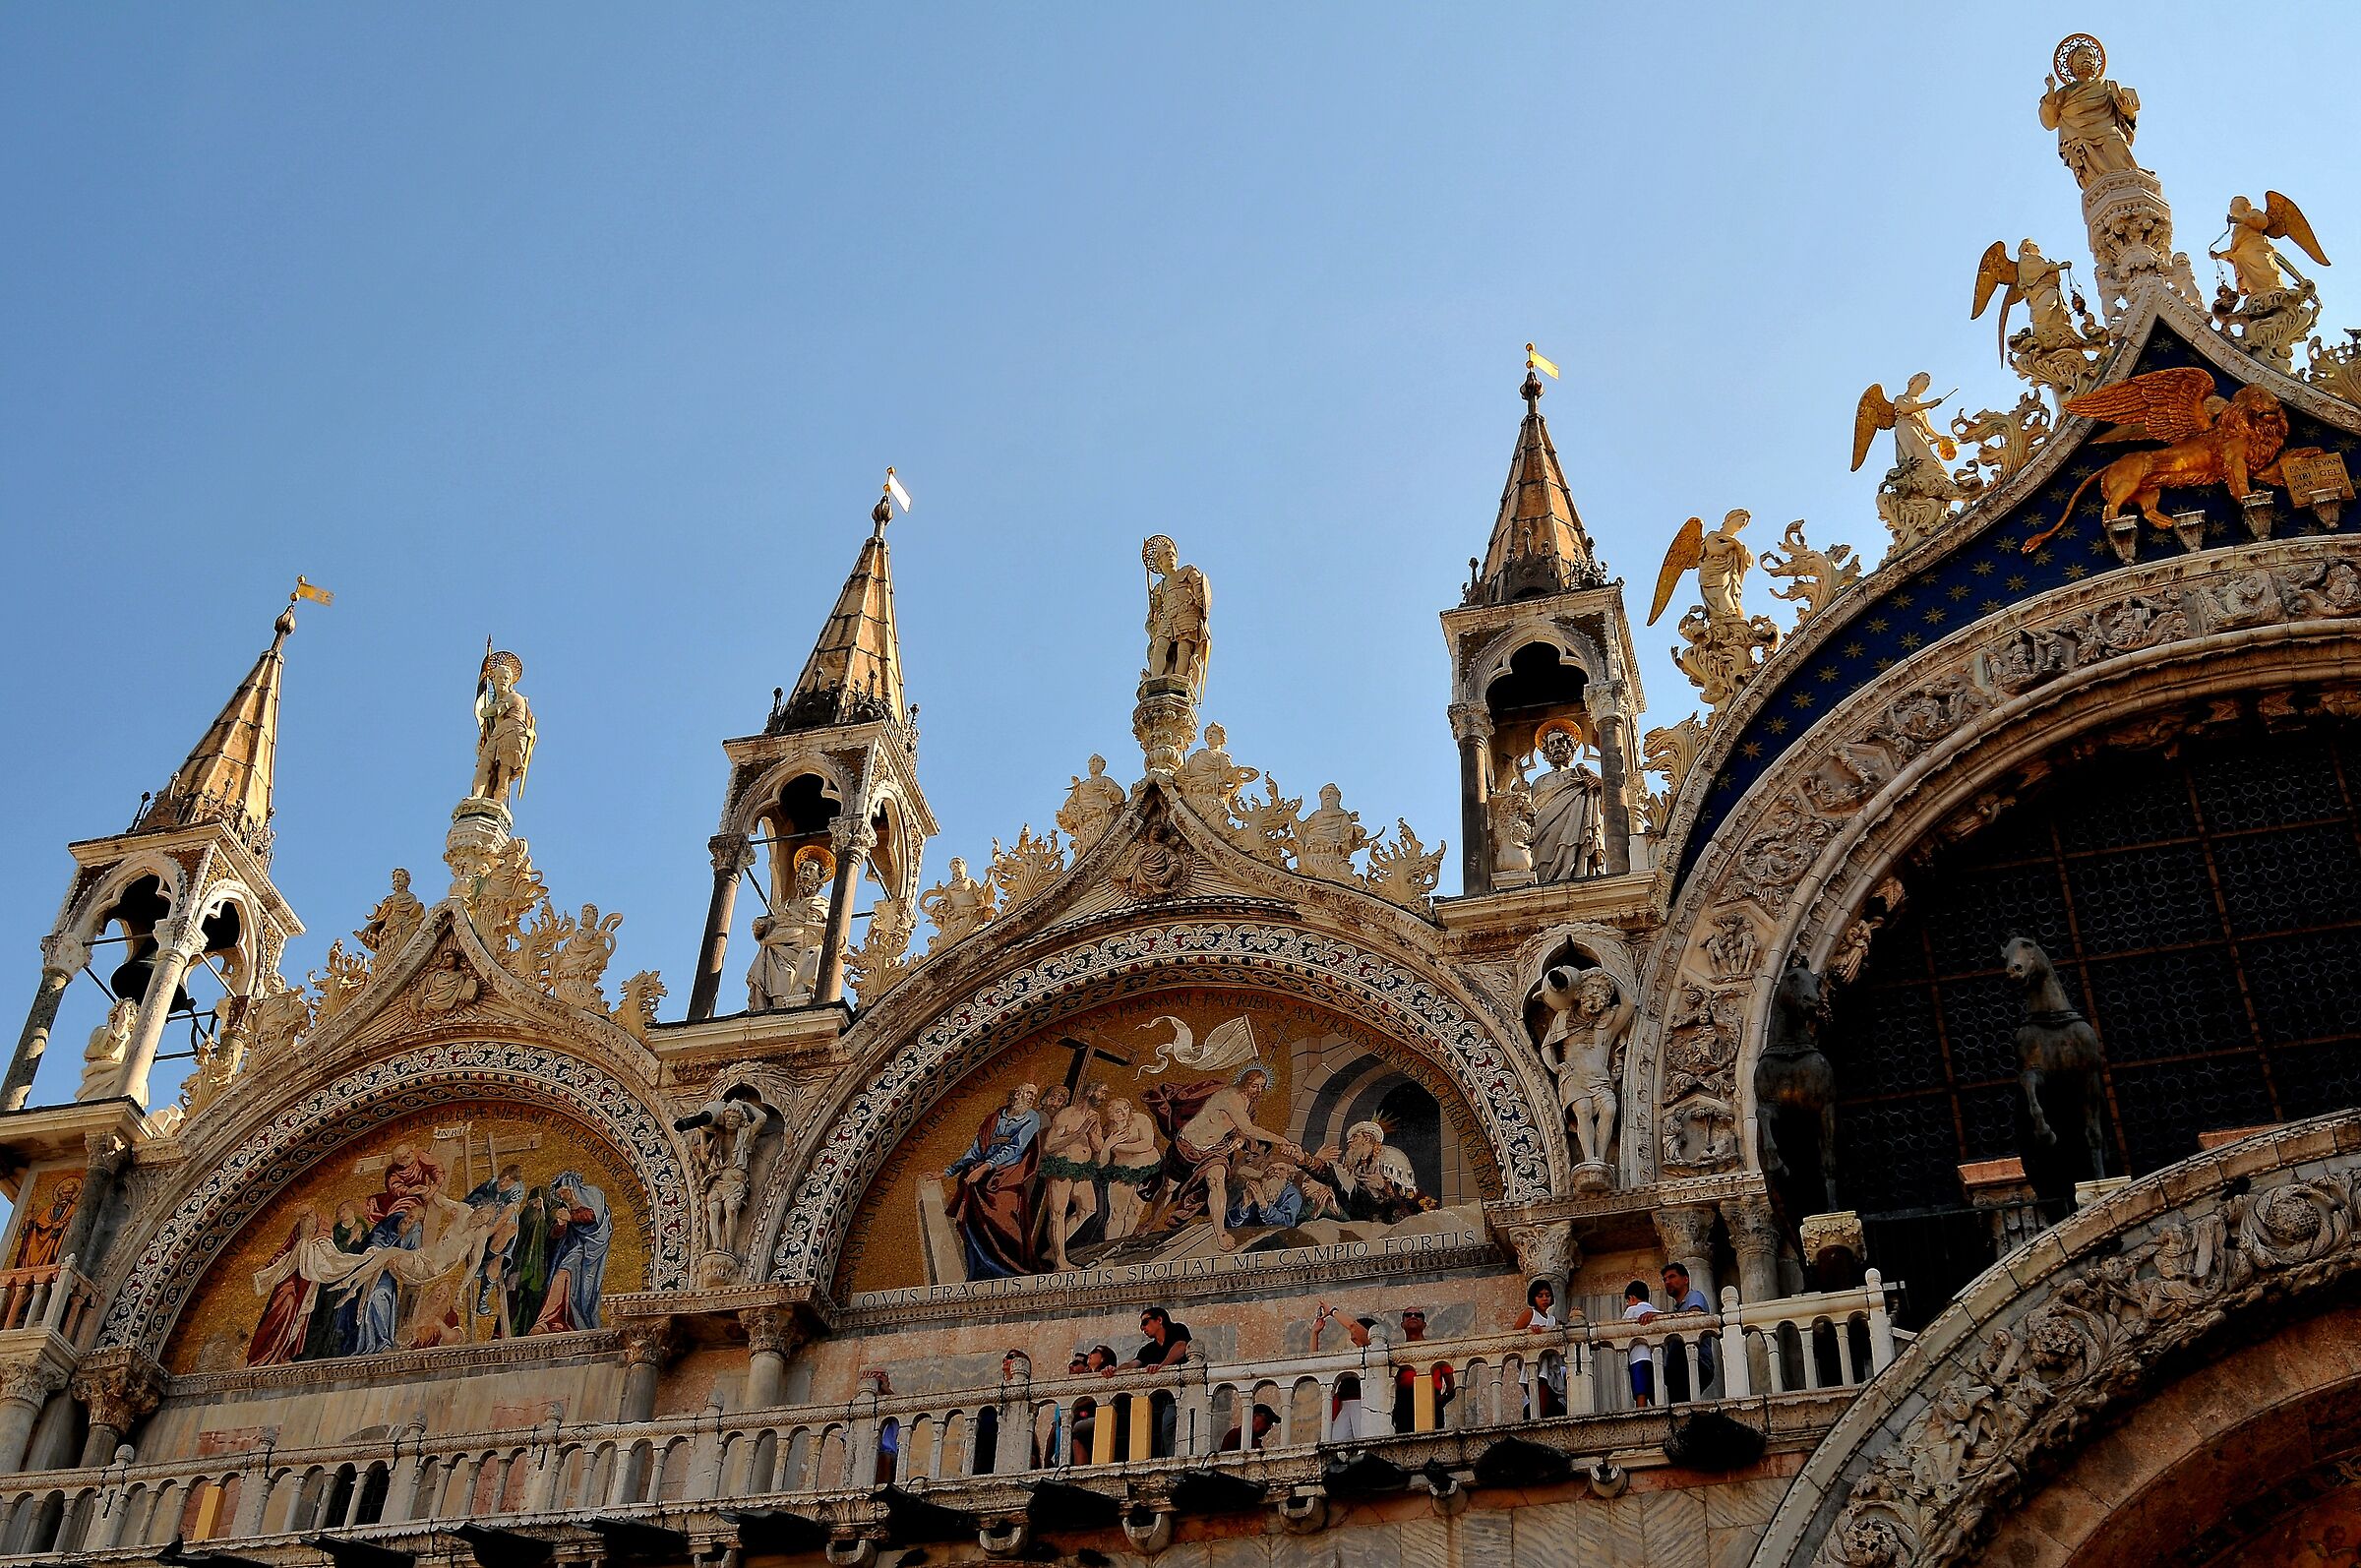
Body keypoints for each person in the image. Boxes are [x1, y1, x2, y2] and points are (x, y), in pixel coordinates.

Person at [941, 1084, 1044, 1280]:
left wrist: (985, 1168)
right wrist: (948, 1172)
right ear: (1016, 1093)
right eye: (1029, 1093)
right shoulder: (995, 1117)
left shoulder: (1032, 1118)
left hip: (1005, 1177)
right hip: (981, 1177)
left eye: (1034, 1095)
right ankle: (982, 1271)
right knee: (975, 1224)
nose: (1032, 1098)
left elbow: (1016, 1147)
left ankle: (1014, 1271)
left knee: (1006, 1221)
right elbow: (976, 1149)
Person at [1390, 1307, 1456, 1432]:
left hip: (1430, 1398)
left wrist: (1438, 1402)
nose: (1413, 1316)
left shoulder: (1436, 1350)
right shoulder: (1395, 1353)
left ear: (1424, 1324)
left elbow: (1451, 1386)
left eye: (1418, 1315)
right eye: (1408, 1315)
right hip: (1404, 1403)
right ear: (1402, 1324)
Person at [1659, 1263, 1718, 1402]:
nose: (1667, 1282)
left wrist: (1658, 1316)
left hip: (1697, 1362)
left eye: (1672, 1277)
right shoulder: (1677, 1308)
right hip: (1680, 1366)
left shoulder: (1694, 1296)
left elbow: (1693, 1317)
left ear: (1686, 1279)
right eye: (1665, 1279)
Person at [1512, 1280, 1566, 1417]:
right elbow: (1513, 1334)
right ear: (1533, 1297)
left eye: (1547, 1295)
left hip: (1549, 1363)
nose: (1544, 1299)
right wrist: (1530, 1331)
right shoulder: (1530, 1314)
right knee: (1539, 1390)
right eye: (1540, 1295)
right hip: (1535, 1363)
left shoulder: (1552, 1320)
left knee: (1549, 1395)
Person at [1622, 1282, 1658, 1408]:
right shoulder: (1656, 1312)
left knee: (1640, 1390)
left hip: (1638, 1357)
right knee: (1655, 1389)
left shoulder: (1632, 1310)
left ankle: (1641, 1411)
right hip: (1656, 1358)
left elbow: (1622, 1328)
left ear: (1631, 1298)